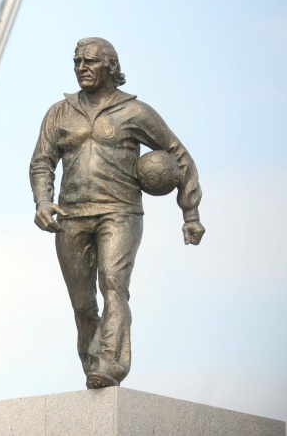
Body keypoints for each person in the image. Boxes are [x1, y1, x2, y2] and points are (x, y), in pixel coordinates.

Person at [29, 37, 205, 389]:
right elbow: (42, 162)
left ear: (110, 67)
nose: (81, 68)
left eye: (90, 62)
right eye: (77, 61)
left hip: (120, 212)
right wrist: (43, 201)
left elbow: (179, 155)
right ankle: (94, 363)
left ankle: (110, 362)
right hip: (72, 215)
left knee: (113, 285)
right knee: (82, 305)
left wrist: (190, 212)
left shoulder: (135, 111)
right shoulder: (59, 113)